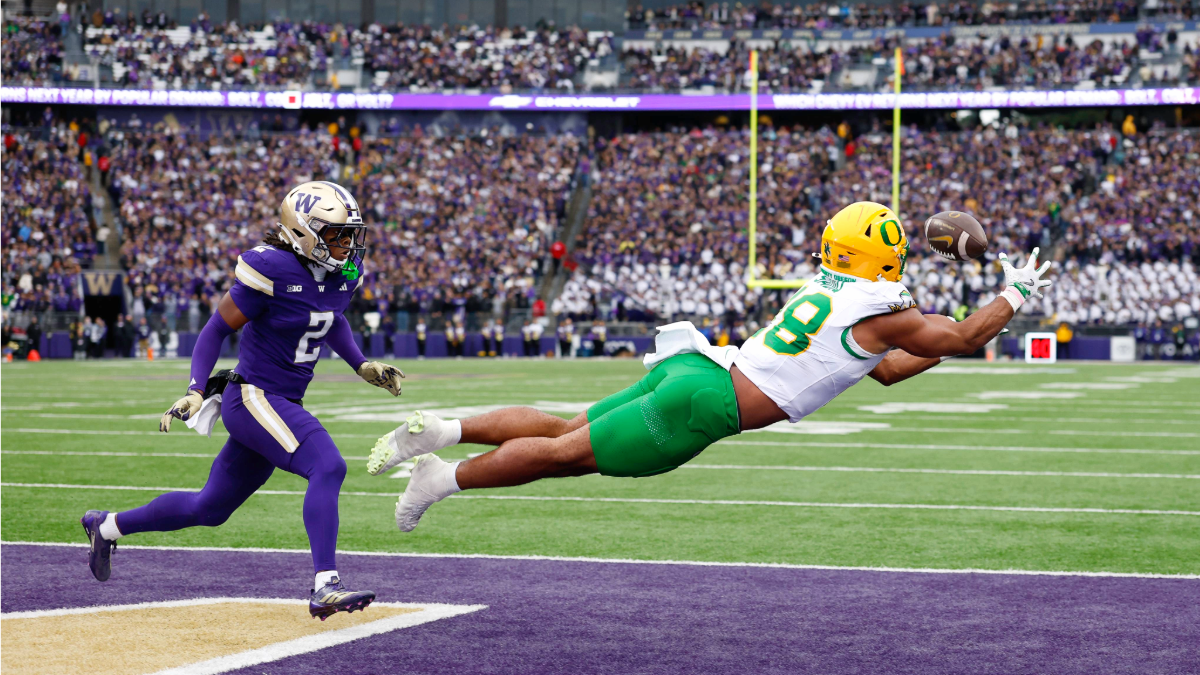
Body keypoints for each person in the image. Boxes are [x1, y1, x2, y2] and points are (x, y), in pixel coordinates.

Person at [363, 202, 1054, 532]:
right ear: (887, 259)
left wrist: (933, 337)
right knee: (561, 455)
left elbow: (889, 366)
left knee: (563, 426)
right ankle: (441, 475)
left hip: (696, 369)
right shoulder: (885, 309)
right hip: (705, 404)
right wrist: (1013, 294)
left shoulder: (835, 292)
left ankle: (446, 430)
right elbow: (962, 336)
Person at [80, 182, 406, 620]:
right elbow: (215, 329)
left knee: (209, 508)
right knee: (327, 465)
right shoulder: (271, 269)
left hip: (278, 401)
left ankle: (107, 525)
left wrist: (360, 364)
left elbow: (331, 321)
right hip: (252, 396)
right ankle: (325, 584)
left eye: (351, 235)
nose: (347, 245)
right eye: (336, 234)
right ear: (302, 231)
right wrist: (196, 389)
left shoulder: (339, 277)